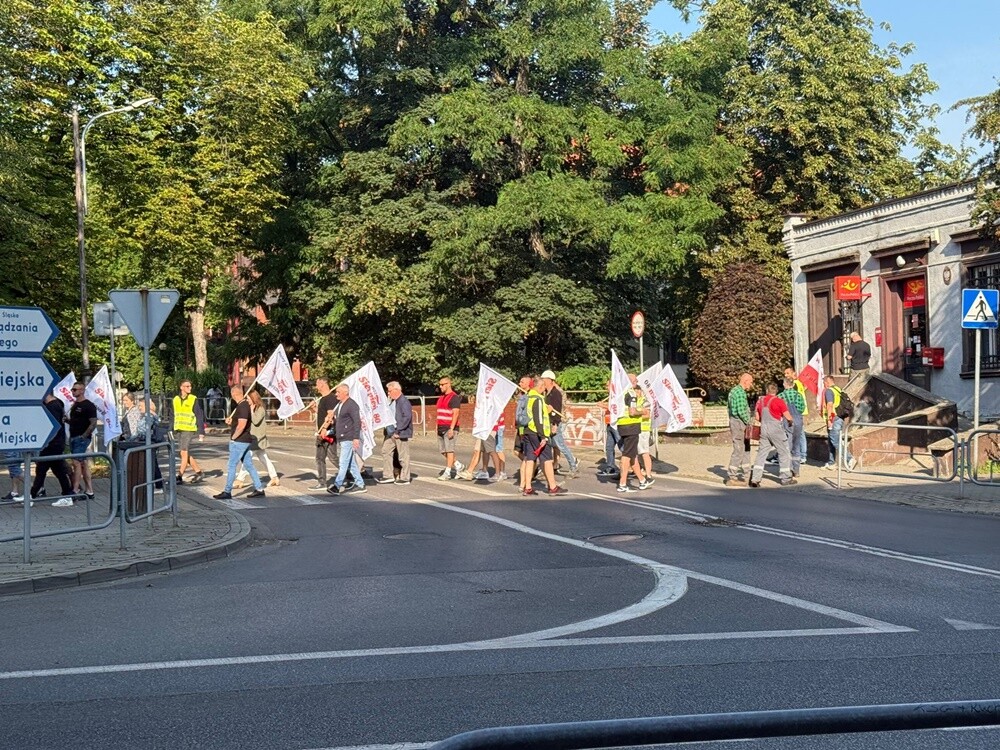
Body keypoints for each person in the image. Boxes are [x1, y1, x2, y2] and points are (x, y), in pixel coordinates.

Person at [213, 383, 266, 500]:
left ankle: (227, 491)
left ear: (233, 394)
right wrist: (231, 421)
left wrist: (234, 438)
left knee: (232, 465)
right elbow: (240, 422)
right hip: (245, 440)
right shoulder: (243, 406)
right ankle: (259, 488)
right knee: (248, 465)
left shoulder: (242, 407)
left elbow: (241, 425)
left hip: (240, 441)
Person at [519, 375, 566, 496]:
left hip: (528, 431)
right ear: (540, 386)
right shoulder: (538, 399)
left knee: (530, 459)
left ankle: (527, 487)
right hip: (537, 433)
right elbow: (539, 418)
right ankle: (553, 487)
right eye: (543, 387)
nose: (544, 389)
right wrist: (544, 436)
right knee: (547, 460)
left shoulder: (529, 397)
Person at [31, 391, 74, 505]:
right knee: (58, 470)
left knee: (41, 469)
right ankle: (68, 494)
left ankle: (31, 496)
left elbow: (52, 427)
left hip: (52, 443)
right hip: (55, 443)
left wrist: (47, 441)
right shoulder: (56, 404)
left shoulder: (52, 406)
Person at [748, 383, 796, 487]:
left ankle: (755, 479)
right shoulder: (779, 401)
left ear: (767, 390)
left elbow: (756, 417)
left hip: (764, 430)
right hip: (776, 430)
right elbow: (787, 416)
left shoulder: (760, 401)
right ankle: (785, 478)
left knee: (761, 454)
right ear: (776, 391)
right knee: (784, 453)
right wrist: (791, 421)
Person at [326, 383, 367, 495]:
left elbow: (357, 422)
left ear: (345, 392)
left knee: (343, 462)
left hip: (348, 437)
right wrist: (331, 430)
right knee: (351, 463)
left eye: (338, 392)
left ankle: (337, 486)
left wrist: (356, 438)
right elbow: (340, 422)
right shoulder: (341, 404)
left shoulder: (352, 405)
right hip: (342, 437)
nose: (336, 394)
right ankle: (360, 484)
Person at [235, 389, 281, 488]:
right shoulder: (251, 408)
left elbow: (255, 421)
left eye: (248, 399)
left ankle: (240, 480)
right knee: (264, 459)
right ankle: (274, 477)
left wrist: (251, 410)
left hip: (258, 439)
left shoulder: (260, 409)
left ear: (253, 398)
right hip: (252, 437)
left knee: (247, 458)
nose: (247, 401)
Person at [615, 376, 653, 493]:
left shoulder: (620, 393)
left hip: (622, 425)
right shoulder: (631, 394)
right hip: (631, 426)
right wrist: (643, 411)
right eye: (635, 380)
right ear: (630, 382)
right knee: (627, 455)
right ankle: (622, 483)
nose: (637, 382)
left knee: (633, 455)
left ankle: (642, 480)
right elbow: (632, 412)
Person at [541, 370, 579, 478]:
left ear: (549, 380)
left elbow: (557, 410)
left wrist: (555, 424)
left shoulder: (555, 393)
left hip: (554, 423)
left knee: (560, 445)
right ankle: (546, 468)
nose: (542, 381)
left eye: (544, 379)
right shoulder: (547, 393)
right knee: (551, 444)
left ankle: (573, 464)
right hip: (549, 423)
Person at [67, 381, 97, 500]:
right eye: (72, 389)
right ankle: (89, 490)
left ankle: (75, 490)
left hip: (81, 438)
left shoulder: (88, 405)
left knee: (76, 462)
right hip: (73, 436)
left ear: (82, 391)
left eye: (75, 389)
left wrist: (84, 436)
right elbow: (75, 421)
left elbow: (93, 423)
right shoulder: (74, 405)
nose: (73, 391)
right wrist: (67, 420)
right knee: (83, 464)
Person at [379, 381, 413, 484]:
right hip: (392, 432)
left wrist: (399, 430)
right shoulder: (394, 402)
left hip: (400, 433)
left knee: (403, 455)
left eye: (389, 391)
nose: (388, 394)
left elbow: (406, 417)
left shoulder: (403, 402)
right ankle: (388, 475)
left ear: (396, 390)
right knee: (386, 451)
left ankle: (405, 477)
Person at [172, 379, 205, 484]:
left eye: (190, 386)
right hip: (179, 429)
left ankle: (179, 476)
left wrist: (201, 431)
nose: (189, 388)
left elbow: (199, 415)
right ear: (181, 387)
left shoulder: (193, 399)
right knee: (182, 454)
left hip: (188, 429)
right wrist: (170, 429)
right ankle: (199, 472)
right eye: (187, 386)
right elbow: (172, 415)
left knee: (184, 453)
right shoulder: (176, 399)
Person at [823, 375, 856, 470]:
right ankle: (831, 462)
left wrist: (829, 420)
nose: (823, 384)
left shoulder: (829, 391)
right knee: (831, 440)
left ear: (827, 382)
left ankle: (850, 459)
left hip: (834, 418)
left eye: (824, 382)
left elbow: (830, 405)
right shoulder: (838, 389)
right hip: (840, 418)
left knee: (835, 440)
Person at [310, 378, 338, 490]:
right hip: (322, 432)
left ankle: (351, 474)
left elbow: (330, 416)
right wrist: (314, 408)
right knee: (320, 458)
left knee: (333, 457)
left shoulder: (330, 398)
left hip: (328, 433)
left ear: (323, 384)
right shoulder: (323, 399)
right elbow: (322, 413)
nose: (316, 387)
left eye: (317, 384)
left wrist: (324, 429)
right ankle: (322, 482)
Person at [726, 373, 754, 484]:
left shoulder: (733, 391)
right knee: (739, 449)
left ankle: (747, 473)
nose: (751, 384)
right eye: (751, 382)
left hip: (735, 422)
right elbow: (741, 411)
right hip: (739, 423)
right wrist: (749, 422)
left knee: (745, 447)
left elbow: (729, 408)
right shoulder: (740, 392)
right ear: (745, 381)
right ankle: (732, 476)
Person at [435, 376, 465, 480]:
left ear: (448, 384)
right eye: (440, 384)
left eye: (442, 384)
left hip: (449, 427)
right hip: (440, 427)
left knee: (449, 450)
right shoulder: (441, 398)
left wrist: (452, 428)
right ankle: (458, 465)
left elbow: (456, 413)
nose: (440, 386)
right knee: (443, 450)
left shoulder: (454, 397)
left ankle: (447, 472)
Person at [779, 375, 806, 476]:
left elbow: (778, 410)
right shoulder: (798, 395)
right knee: (796, 444)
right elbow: (802, 408)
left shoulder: (781, 396)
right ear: (793, 384)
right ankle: (796, 470)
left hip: (787, 420)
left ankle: (788, 468)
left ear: (784, 384)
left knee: (787, 445)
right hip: (798, 420)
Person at [783, 367, 809, 464]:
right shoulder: (798, 383)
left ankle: (801, 455)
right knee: (800, 434)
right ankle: (802, 455)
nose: (786, 375)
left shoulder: (794, 384)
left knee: (797, 435)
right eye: (785, 373)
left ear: (793, 373)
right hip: (799, 412)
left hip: (795, 412)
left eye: (788, 373)